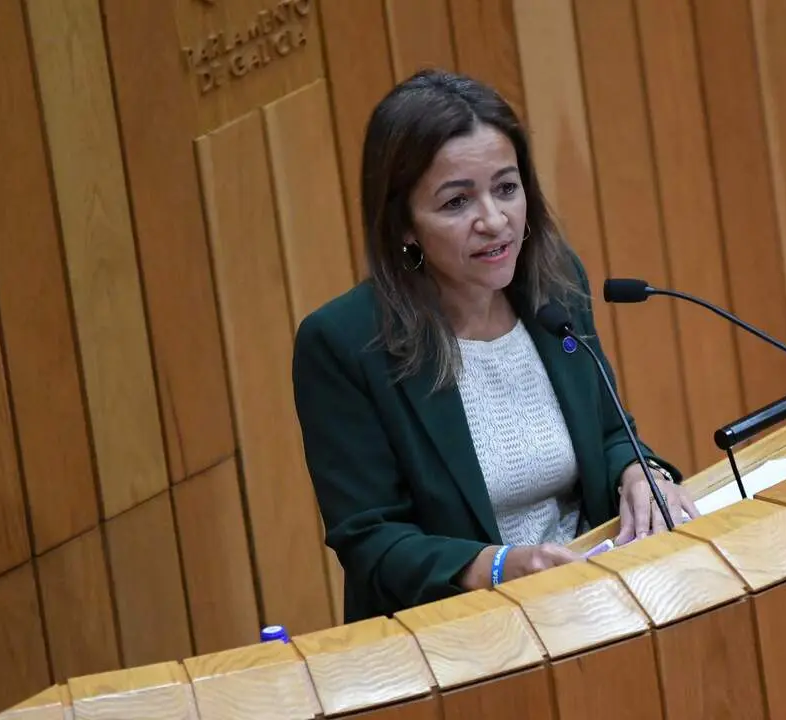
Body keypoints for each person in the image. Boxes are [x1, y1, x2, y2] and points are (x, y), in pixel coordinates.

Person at [292, 69, 698, 624]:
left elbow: (607, 432)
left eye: (507, 189)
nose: (494, 220)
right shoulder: (344, 344)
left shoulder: (554, 284)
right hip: (454, 636)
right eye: (457, 202)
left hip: (593, 603)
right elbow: (373, 540)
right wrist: (500, 568)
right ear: (404, 225)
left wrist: (640, 472)